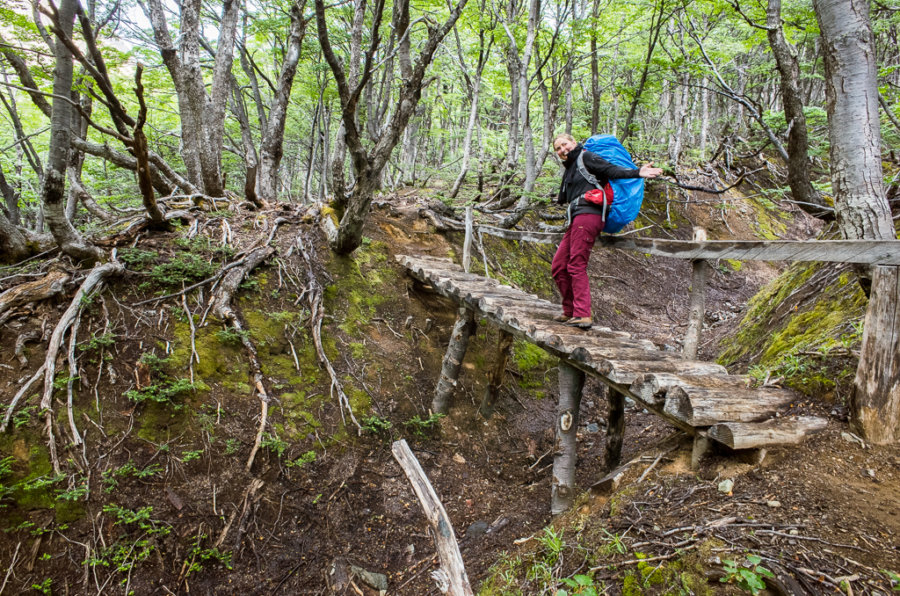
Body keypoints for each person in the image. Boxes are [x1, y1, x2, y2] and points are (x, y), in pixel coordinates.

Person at [551, 133, 662, 329]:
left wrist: (638, 173)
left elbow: (611, 170)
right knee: (559, 266)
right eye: (558, 148)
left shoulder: (586, 157)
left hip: (589, 215)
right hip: (576, 218)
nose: (562, 150)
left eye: (564, 144)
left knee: (576, 264)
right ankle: (569, 310)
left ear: (573, 142)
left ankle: (582, 314)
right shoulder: (571, 167)